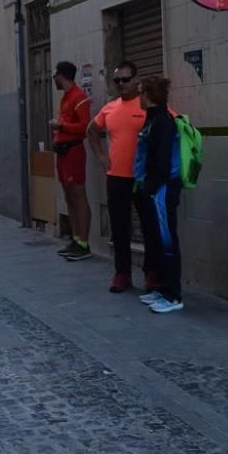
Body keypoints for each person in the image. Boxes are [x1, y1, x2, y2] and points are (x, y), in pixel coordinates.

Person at [87, 61, 161, 293]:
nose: (121, 84)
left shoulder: (148, 105)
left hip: (143, 178)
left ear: (136, 81)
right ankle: (122, 274)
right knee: (119, 227)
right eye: (117, 80)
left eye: (125, 79)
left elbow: (172, 125)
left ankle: (152, 274)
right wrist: (100, 155)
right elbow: (91, 131)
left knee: (150, 225)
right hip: (117, 176)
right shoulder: (110, 108)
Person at [133, 77, 184, 313]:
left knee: (166, 240)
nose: (138, 97)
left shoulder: (162, 122)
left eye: (141, 92)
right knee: (156, 239)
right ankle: (162, 288)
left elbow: (161, 161)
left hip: (161, 190)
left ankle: (173, 295)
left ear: (149, 95)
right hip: (154, 189)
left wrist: (151, 188)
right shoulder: (153, 120)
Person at [50, 61, 93, 261]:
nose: (54, 80)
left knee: (78, 196)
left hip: (74, 152)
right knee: (69, 196)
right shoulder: (66, 98)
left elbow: (85, 127)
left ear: (62, 75)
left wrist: (62, 126)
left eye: (55, 76)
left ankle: (84, 243)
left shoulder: (79, 97)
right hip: (63, 152)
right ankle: (76, 239)